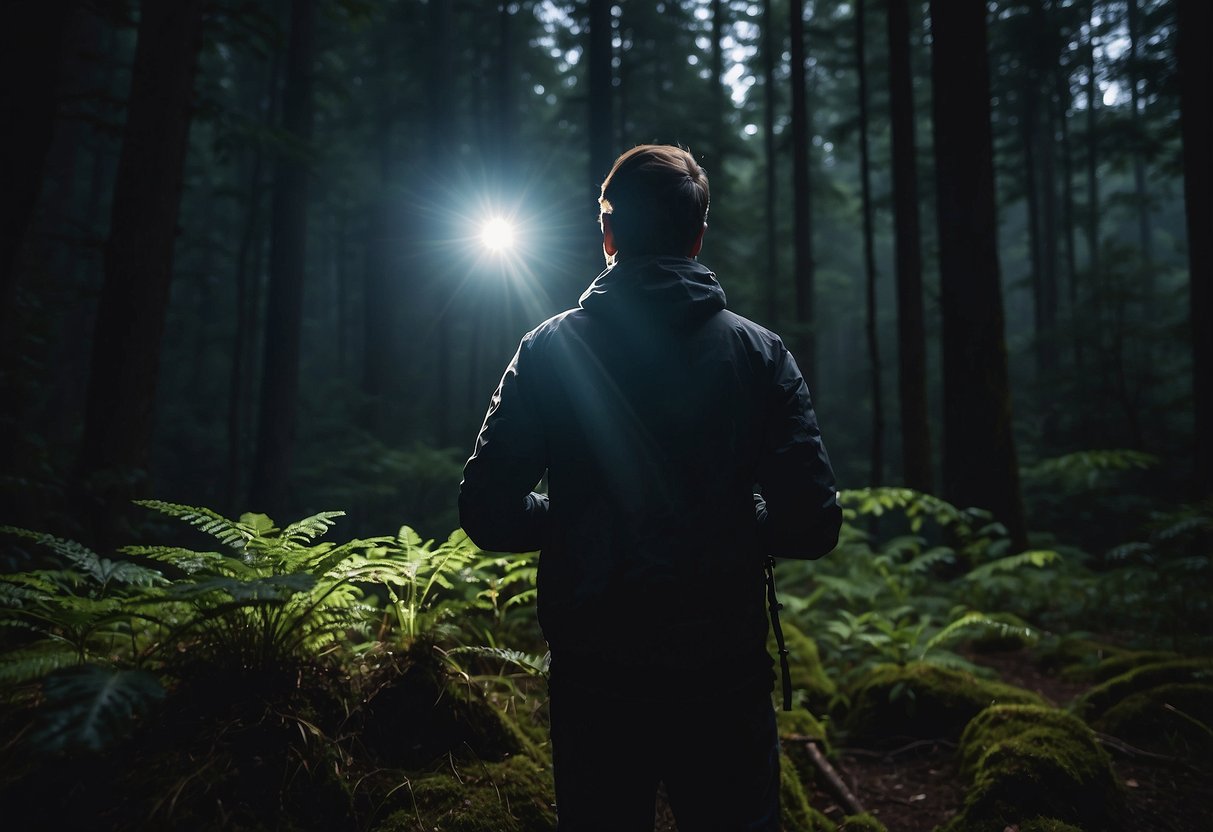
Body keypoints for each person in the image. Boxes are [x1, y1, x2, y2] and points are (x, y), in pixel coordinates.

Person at [459, 144, 841, 831]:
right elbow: (812, 523)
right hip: (721, 670)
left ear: (607, 234)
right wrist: (728, 520)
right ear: (697, 236)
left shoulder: (547, 349)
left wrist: (570, 519)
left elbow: (486, 511)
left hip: (594, 672)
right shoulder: (760, 354)